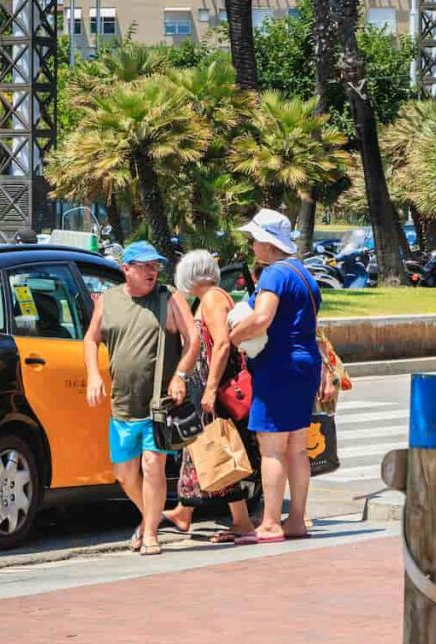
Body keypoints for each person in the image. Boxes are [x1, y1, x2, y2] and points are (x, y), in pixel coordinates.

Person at [85, 241, 200, 556]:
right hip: (122, 404)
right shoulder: (107, 301)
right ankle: (154, 515)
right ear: (127, 269)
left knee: (153, 465)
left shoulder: (168, 298)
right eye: (145, 266)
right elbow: (90, 340)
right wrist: (93, 375)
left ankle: (150, 533)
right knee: (124, 474)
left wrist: (180, 376)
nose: (152, 272)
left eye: (155, 266)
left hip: (157, 404)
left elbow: (194, 340)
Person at [229, 209, 331, 545]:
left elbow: (262, 318)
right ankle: (297, 518)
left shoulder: (273, 274)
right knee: (297, 448)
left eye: (255, 238)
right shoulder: (304, 274)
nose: (252, 244)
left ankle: (270, 523)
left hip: (278, 366)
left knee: (272, 447)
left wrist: (234, 336)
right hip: (305, 364)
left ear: (268, 243)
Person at [162, 250, 259, 543]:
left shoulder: (213, 299)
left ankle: (241, 521)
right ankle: (184, 511)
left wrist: (211, 388)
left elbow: (221, 346)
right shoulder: (211, 298)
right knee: (198, 447)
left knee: (215, 448)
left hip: (212, 387)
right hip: (205, 385)